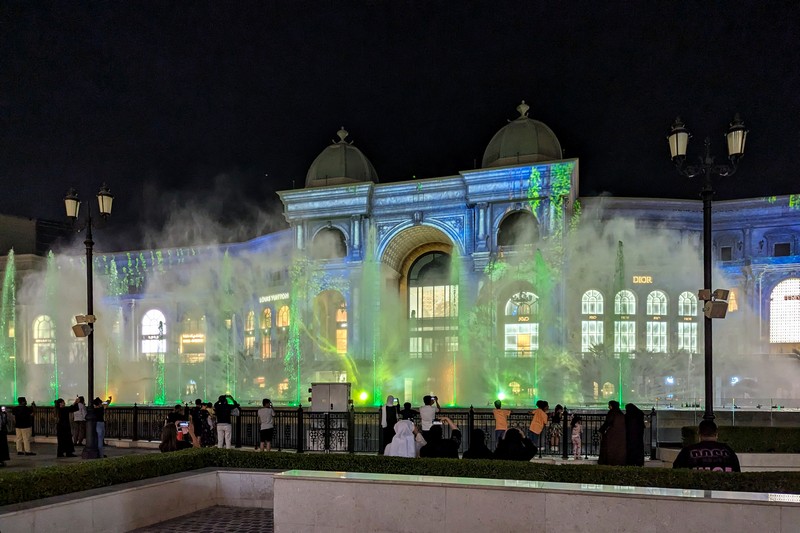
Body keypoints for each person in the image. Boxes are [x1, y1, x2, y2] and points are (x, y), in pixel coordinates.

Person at [673, 420, 741, 472]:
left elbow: (676, 472)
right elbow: (737, 473)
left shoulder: (687, 451)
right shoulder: (727, 450)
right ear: (716, 434)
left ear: (699, 434)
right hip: (723, 489)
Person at [598, 400, 626, 466]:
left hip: (612, 435)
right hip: (621, 435)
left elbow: (607, 423)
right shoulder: (620, 413)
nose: (608, 407)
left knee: (608, 448)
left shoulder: (612, 413)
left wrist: (601, 430)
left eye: (609, 405)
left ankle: (609, 461)